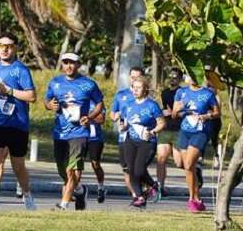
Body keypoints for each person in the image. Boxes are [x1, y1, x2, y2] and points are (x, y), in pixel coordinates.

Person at [0, 32, 37, 214]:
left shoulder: (21, 69)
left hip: (17, 123)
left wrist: (10, 91)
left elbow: (31, 96)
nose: (5, 49)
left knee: (17, 165)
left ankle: (27, 195)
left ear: (15, 48)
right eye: (1, 45)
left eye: (9, 45)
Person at [44, 51, 104, 211]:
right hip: (60, 132)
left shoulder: (88, 84)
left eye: (72, 63)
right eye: (66, 62)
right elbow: (47, 101)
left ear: (78, 65)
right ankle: (80, 190)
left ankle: (63, 204)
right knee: (62, 169)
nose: (69, 66)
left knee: (73, 168)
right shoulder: (55, 82)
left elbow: (99, 104)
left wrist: (90, 117)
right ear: (62, 64)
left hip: (79, 132)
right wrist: (51, 105)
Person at [173, 73, 220, 213]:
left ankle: (192, 198)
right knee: (185, 165)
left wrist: (207, 116)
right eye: (189, 75)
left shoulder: (207, 93)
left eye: (194, 75)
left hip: (201, 131)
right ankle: (197, 198)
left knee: (188, 164)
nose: (192, 78)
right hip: (185, 131)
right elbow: (175, 115)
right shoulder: (181, 92)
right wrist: (178, 109)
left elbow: (217, 113)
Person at [119, 76, 163, 208]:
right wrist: (123, 127)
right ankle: (140, 197)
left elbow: (162, 123)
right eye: (133, 87)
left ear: (145, 89)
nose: (135, 90)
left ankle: (153, 185)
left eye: (138, 87)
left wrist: (152, 132)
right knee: (130, 169)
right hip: (130, 140)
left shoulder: (152, 105)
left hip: (147, 141)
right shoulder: (129, 105)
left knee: (139, 170)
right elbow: (126, 123)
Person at [109, 66, 145, 201]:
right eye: (132, 77)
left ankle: (140, 192)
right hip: (124, 136)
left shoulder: (146, 95)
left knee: (137, 167)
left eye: (137, 77)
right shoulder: (121, 95)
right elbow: (112, 114)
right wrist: (116, 117)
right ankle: (136, 194)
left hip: (141, 137)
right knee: (126, 167)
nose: (134, 79)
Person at [155, 68, 183, 197]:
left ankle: (196, 169)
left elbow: (186, 111)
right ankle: (160, 187)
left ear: (180, 79)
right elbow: (164, 109)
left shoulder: (183, 92)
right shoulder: (165, 92)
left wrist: (173, 113)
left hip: (179, 130)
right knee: (161, 159)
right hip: (166, 129)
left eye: (175, 77)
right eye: (170, 76)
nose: (172, 79)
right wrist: (162, 112)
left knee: (180, 163)